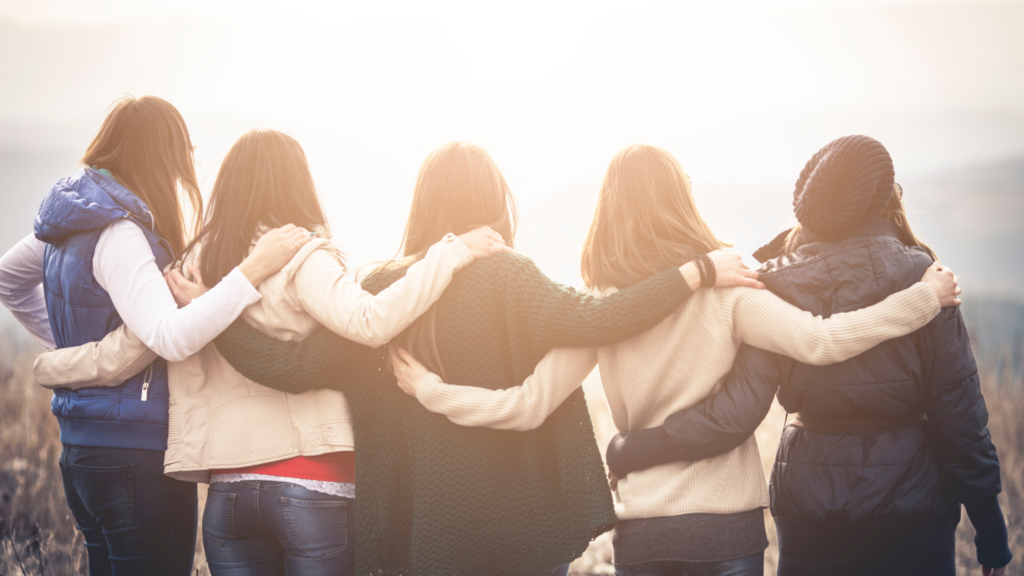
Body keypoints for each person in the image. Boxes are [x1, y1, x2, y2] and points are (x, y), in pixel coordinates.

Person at [387, 143, 961, 576]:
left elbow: (526, 405)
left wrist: (429, 390)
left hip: (646, 535)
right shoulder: (732, 291)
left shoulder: (602, 312)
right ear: (681, 201)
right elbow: (823, 341)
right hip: (727, 536)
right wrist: (922, 299)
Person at [206, 141, 765, 576]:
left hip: (424, 529)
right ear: (495, 203)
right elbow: (601, 318)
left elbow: (295, 367)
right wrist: (697, 272)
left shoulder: (378, 287)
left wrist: (217, 316)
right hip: (524, 527)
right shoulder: (509, 276)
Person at [30, 129, 510, 576]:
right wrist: (450, 252)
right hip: (313, 485)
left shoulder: (189, 268)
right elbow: (372, 321)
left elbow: (137, 347)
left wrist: (50, 366)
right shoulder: (302, 255)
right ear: (297, 184)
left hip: (228, 500)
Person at [604, 136, 1011, 576]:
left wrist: (630, 450)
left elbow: (735, 414)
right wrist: (990, 530)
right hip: (912, 505)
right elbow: (960, 418)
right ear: (886, 198)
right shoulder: (927, 278)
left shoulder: (780, 283)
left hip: (810, 506)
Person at [0, 97, 313, 576]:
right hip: (136, 458)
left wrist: (72, 350)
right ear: (159, 156)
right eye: (182, 153)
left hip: (81, 453)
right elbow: (170, 337)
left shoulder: (71, 223)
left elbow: (8, 279)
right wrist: (253, 270)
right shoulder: (119, 232)